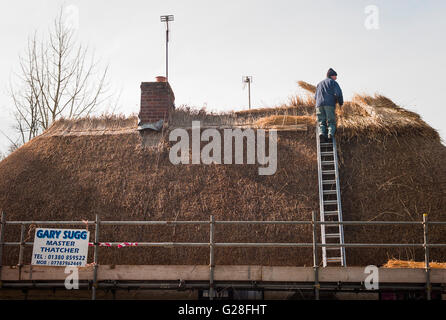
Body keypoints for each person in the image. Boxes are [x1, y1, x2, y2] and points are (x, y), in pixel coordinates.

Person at [315, 68, 343, 142]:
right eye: (335, 76)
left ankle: (321, 134)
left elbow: (315, 97)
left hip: (319, 105)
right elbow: (339, 93)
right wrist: (340, 102)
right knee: (331, 121)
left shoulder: (319, 84)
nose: (336, 78)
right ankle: (330, 134)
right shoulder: (333, 82)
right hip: (329, 104)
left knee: (321, 121)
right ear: (331, 76)